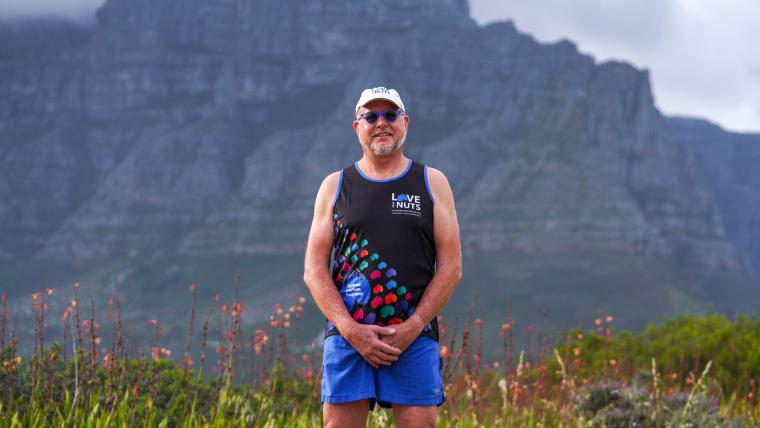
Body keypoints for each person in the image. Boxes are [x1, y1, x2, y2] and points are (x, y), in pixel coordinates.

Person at [304, 87, 462, 428]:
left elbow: (451, 266)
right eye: (371, 116)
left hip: (414, 336)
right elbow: (314, 269)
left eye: (390, 115)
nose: (381, 123)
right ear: (356, 126)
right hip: (348, 336)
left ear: (405, 123)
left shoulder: (432, 182)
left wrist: (414, 326)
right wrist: (350, 329)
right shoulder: (335, 186)